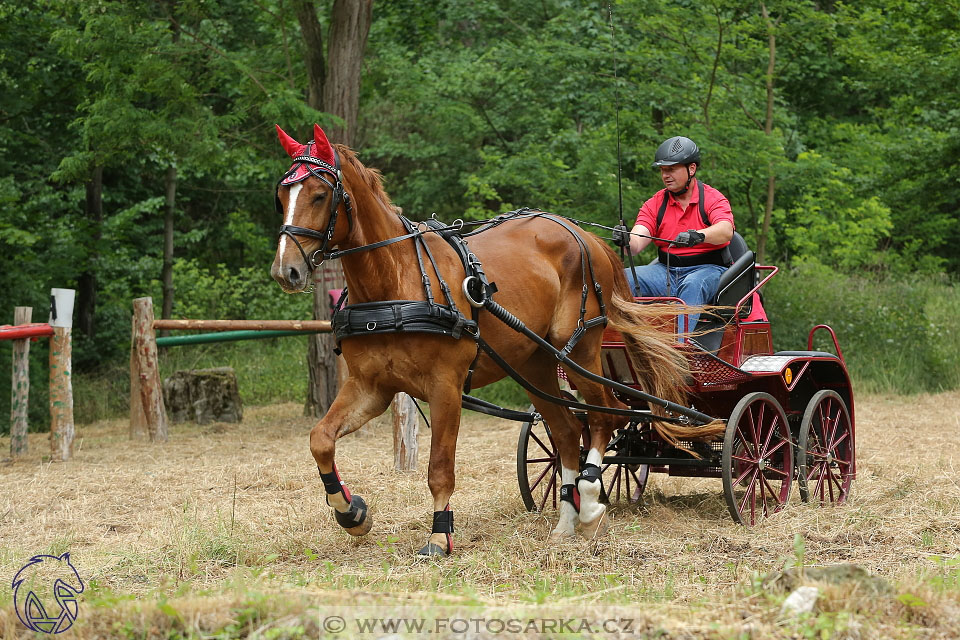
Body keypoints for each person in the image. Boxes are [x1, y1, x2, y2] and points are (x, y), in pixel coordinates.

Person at [612, 136, 734, 339]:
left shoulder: (713, 198)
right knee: (621, 278)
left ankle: (677, 348)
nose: (665, 175)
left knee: (693, 284)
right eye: (662, 170)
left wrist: (698, 236)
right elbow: (637, 241)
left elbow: (725, 230)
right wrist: (626, 239)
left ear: (691, 169)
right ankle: (628, 341)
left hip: (708, 270)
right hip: (666, 271)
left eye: (671, 169)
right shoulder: (656, 203)